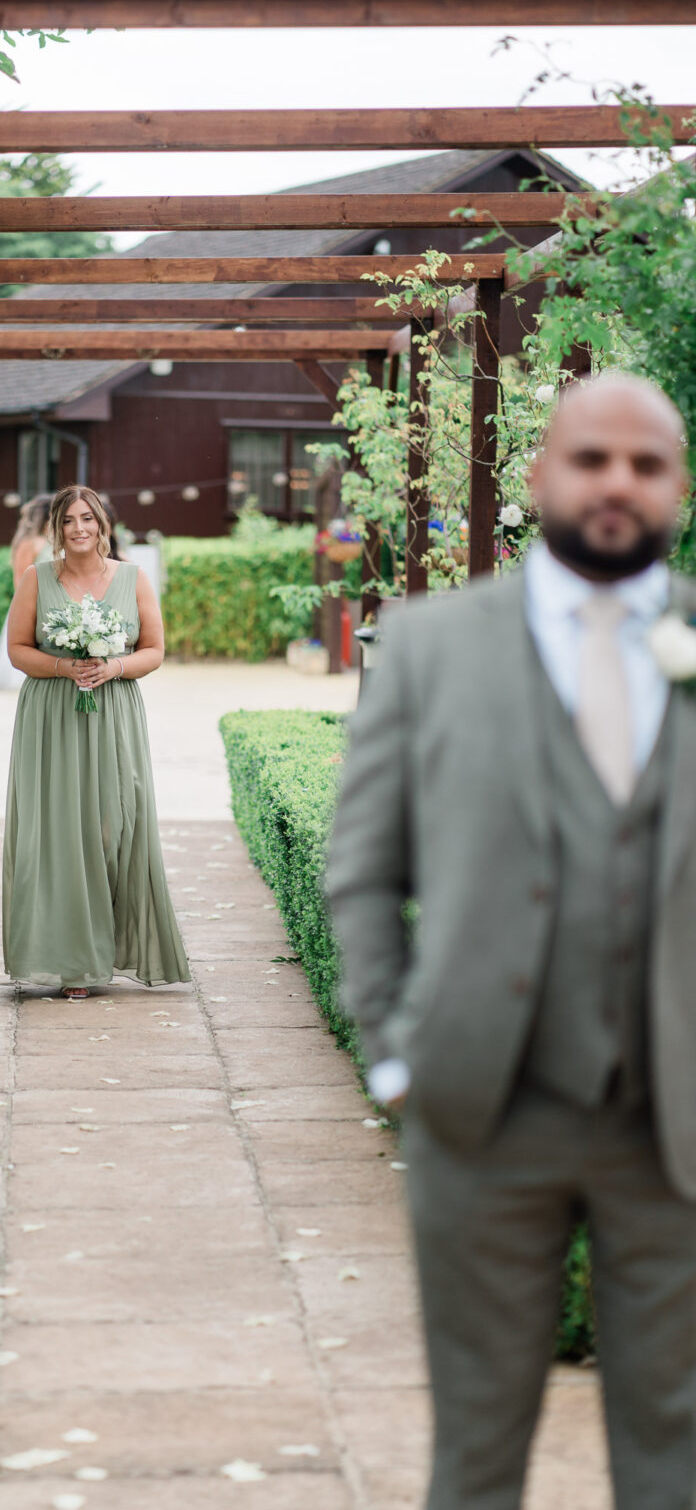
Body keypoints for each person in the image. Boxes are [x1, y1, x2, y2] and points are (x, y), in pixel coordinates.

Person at [326, 373, 696, 1510]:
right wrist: (396, 1054)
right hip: (482, 1111)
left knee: (676, 1452)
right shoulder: (434, 646)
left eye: (647, 464)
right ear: (540, 475)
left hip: (677, 1123)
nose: (617, 484)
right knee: (477, 1446)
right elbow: (365, 869)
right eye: (592, 459)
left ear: (679, 487)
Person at [2, 483, 189, 999]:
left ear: (102, 525)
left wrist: (114, 666)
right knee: (62, 835)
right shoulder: (36, 579)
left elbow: (154, 649)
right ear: (55, 529)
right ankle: (76, 966)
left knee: (113, 827)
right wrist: (66, 667)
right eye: (67, 521)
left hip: (115, 715)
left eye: (88, 518)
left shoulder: (133, 579)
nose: (78, 528)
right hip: (53, 718)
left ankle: (116, 947)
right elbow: (18, 650)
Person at [0, 494, 53, 691]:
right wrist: (32, 604)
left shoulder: (48, 541)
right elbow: (20, 578)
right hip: (32, 603)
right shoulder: (29, 543)